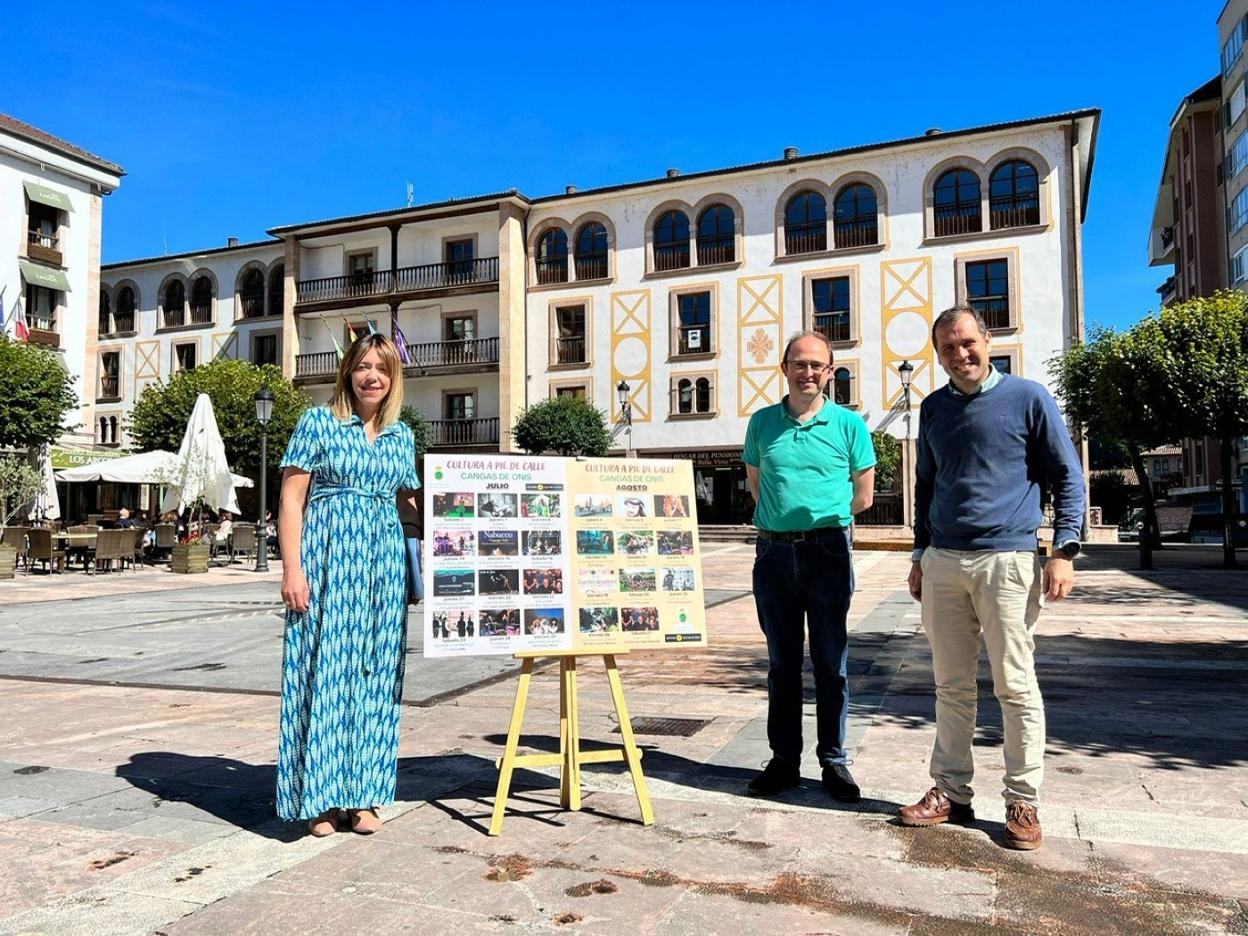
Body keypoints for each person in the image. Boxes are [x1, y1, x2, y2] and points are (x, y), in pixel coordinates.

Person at [899, 306, 1085, 851]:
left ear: (987, 338)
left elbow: (1066, 476)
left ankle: (1022, 799)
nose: (960, 355)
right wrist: (919, 553)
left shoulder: (1029, 398)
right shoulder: (933, 408)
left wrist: (1064, 550)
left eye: (967, 342)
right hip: (944, 563)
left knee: (1015, 685)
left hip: (1008, 560)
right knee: (950, 685)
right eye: (948, 349)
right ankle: (951, 792)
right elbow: (926, 487)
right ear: (938, 355)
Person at [277, 333, 420, 837]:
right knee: (324, 670)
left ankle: (363, 796)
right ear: (348, 372)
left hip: (381, 570)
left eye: (381, 367)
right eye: (363, 366)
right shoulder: (318, 422)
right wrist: (293, 569)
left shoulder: (401, 435)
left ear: (393, 377)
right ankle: (318, 799)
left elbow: (411, 506)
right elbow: (292, 500)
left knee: (375, 673)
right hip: (328, 561)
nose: (371, 376)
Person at [743, 331, 875, 802]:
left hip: (828, 553)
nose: (808, 372)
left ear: (830, 371)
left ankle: (834, 761)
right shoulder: (761, 424)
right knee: (781, 665)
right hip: (774, 553)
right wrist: (786, 522)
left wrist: (821, 520)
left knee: (830, 664)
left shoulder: (849, 425)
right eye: (799, 364)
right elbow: (757, 486)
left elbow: (864, 495)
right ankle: (784, 760)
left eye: (817, 365)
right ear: (785, 369)